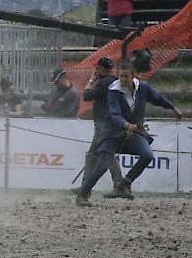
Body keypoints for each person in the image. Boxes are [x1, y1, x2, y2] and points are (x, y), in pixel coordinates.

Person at [76, 61, 182, 206]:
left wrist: (172, 108)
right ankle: (82, 195)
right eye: (121, 76)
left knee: (147, 155)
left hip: (133, 132)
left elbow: (157, 98)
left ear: (133, 76)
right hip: (112, 132)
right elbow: (114, 112)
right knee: (101, 165)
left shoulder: (143, 88)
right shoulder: (114, 90)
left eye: (126, 77)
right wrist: (126, 125)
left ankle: (124, 183)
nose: (123, 80)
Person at [74, 57, 123, 193]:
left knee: (106, 153)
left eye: (97, 68)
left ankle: (119, 184)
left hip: (103, 122)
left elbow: (87, 96)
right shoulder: (115, 81)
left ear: (101, 69)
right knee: (93, 155)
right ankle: (86, 186)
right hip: (112, 121)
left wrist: (91, 81)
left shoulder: (104, 82)